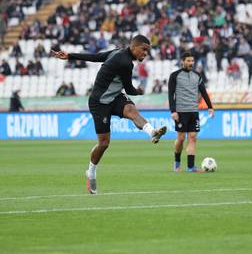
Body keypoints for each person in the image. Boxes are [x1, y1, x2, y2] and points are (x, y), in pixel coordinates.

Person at [51, 34, 167, 194]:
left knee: (132, 111)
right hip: (100, 103)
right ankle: (91, 172)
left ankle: (152, 132)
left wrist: (70, 55)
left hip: (115, 97)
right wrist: (139, 91)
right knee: (104, 144)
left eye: (148, 51)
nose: (145, 53)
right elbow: (129, 89)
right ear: (133, 47)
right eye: (144, 49)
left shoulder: (116, 52)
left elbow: (96, 57)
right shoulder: (125, 62)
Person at [168, 52, 214, 172]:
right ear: (182, 61)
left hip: (194, 111)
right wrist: (173, 111)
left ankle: (191, 166)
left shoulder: (197, 76)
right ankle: (177, 163)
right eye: (188, 61)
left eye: (192, 61)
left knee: (193, 137)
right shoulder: (175, 75)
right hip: (181, 111)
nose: (190, 63)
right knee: (181, 138)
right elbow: (170, 94)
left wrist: (210, 106)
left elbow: (203, 92)